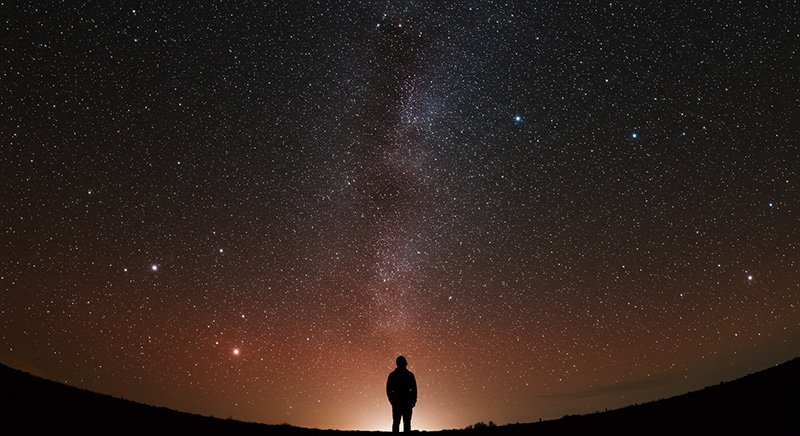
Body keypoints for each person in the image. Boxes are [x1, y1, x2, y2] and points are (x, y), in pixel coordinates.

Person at [386, 355, 417, 432]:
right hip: (403, 402)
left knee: (398, 422)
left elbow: (389, 389)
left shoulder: (393, 375)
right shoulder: (409, 375)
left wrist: (391, 400)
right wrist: (413, 400)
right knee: (403, 423)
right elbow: (414, 389)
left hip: (400, 402)